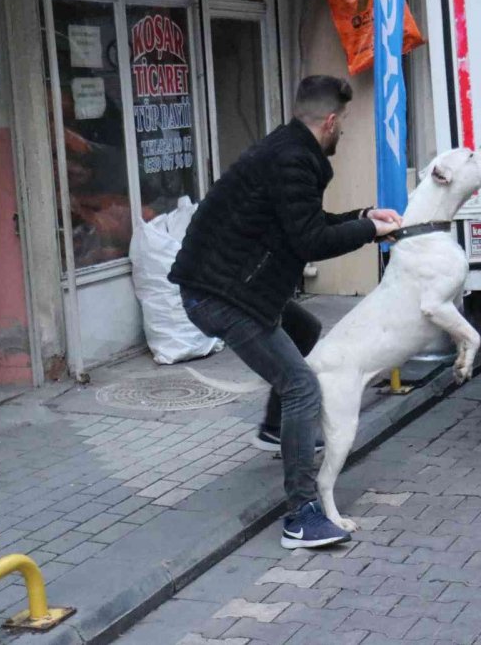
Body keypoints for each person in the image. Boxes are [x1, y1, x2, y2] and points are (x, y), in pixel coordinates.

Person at [169, 75, 401, 549]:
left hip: (230, 287)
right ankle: (301, 515)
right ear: (331, 120)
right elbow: (310, 240)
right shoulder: (293, 159)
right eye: (345, 124)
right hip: (220, 296)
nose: (345, 133)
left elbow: (305, 226)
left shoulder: (290, 150)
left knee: (306, 327)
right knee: (300, 386)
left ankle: (276, 430)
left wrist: (362, 219)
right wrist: (370, 233)